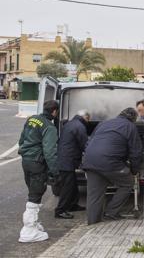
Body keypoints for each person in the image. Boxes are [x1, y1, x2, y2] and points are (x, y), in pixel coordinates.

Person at [82, 108, 143, 225]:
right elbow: (136, 152)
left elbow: (89, 141)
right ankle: (111, 212)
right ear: (133, 119)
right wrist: (134, 170)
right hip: (110, 161)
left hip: (90, 160)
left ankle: (93, 223)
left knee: (94, 194)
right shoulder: (130, 127)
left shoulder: (103, 123)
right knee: (128, 182)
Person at [18, 100, 59, 243]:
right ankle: (28, 231)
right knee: (35, 194)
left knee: (32, 191)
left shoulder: (32, 119)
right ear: (54, 112)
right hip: (37, 163)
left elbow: (22, 139)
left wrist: (24, 152)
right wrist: (55, 171)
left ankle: (33, 224)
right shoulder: (50, 127)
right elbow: (49, 152)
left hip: (26, 161)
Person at [54, 110, 90, 220]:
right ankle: (60, 210)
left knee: (73, 184)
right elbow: (85, 145)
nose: (88, 122)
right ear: (86, 117)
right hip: (67, 161)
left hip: (65, 158)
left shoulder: (70, 123)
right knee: (67, 187)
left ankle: (73, 205)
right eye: (89, 119)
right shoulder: (80, 127)